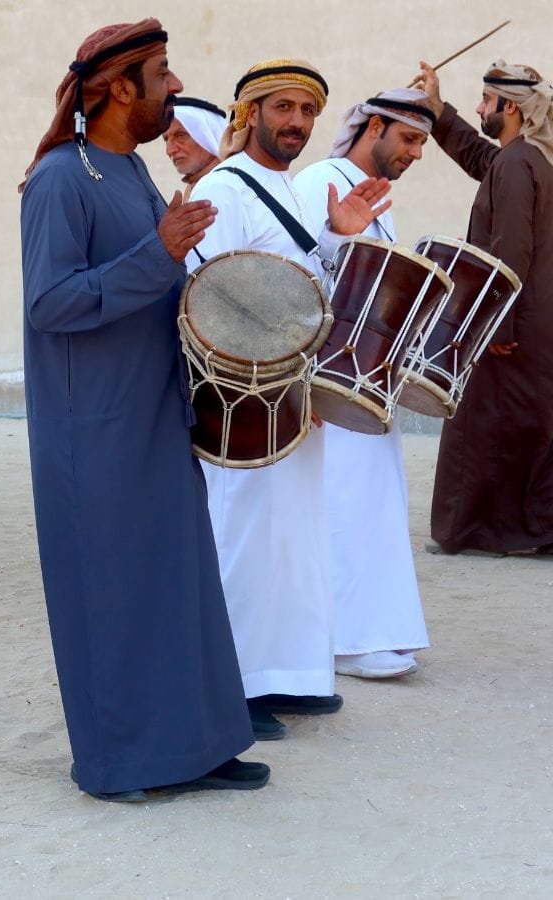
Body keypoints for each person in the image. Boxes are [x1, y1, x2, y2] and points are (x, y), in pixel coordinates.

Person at [19, 19, 269, 802]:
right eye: (162, 72)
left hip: (157, 412)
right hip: (90, 426)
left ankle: (202, 743)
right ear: (120, 86)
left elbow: (159, 276)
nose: (174, 85)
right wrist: (156, 253)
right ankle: (121, 763)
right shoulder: (63, 178)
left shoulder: (131, 171)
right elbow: (51, 302)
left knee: (179, 577)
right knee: (111, 589)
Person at [188, 59, 391, 738]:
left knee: (293, 535)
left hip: (294, 392)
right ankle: (233, 686)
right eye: (282, 108)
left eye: (306, 112)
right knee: (243, 535)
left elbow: (305, 281)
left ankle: (291, 675)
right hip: (244, 396)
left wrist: (338, 236)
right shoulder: (224, 186)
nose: (296, 123)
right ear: (249, 114)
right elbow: (213, 291)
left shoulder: (298, 189)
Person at [293, 89, 436, 679]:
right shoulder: (317, 183)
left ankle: (373, 630)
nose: (418, 153)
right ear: (372, 125)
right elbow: (294, 277)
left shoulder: (377, 200)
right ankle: (345, 640)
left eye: (424, 142)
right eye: (408, 138)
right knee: (344, 503)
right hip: (329, 382)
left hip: (365, 381)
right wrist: (302, 376)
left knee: (372, 502)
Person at [415, 59, 553, 556]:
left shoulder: (518, 164)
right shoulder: (525, 158)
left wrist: (497, 322)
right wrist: (437, 107)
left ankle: (485, 530)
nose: (479, 108)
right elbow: (482, 159)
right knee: (522, 423)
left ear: (510, 107)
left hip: (516, 320)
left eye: (486, 101)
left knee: (486, 423)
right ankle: (524, 530)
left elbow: (512, 251)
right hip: (531, 319)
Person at [162, 95, 225, 195]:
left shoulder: (222, 186)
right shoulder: (197, 185)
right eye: (166, 139)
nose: (169, 151)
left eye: (180, 136)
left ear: (208, 137)